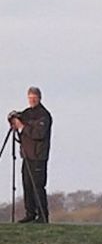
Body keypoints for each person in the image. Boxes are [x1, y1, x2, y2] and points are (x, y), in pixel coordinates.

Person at [14, 87, 52, 223]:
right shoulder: (27, 113)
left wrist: (22, 127)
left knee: (38, 186)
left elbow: (39, 134)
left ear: (39, 98)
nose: (32, 100)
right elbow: (18, 123)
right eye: (30, 97)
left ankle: (42, 215)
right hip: (27, 155)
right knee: (27, 185)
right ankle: (30, 213)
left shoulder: (44, 115)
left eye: (34, 97)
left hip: (38, 156)